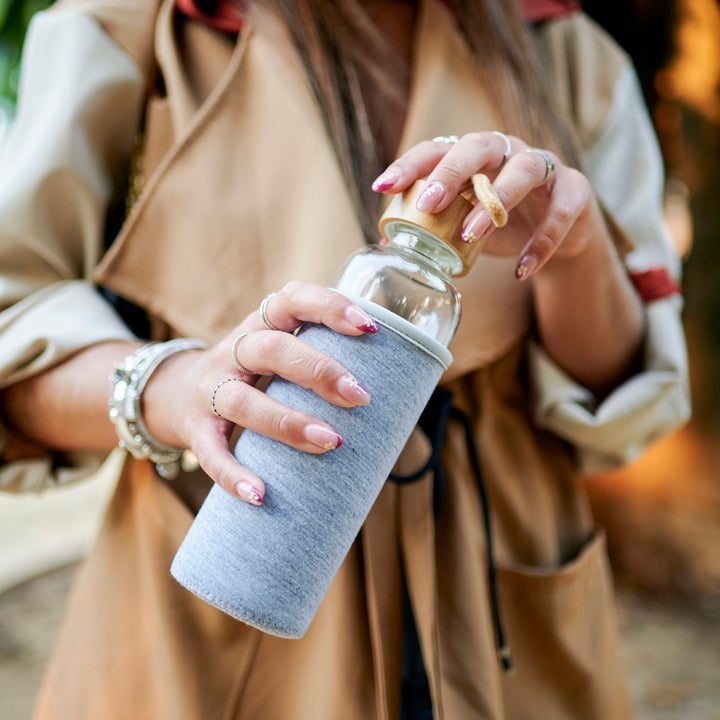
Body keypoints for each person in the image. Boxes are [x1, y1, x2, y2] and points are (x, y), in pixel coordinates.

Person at [0, 0, 690, 718]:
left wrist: (574, 253)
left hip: (503, 598)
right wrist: (176, 387)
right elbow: (13, 330)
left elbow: (627, 403)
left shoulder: (569, 52)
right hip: (227, 580)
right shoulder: (135, 27)